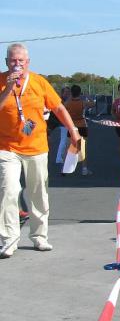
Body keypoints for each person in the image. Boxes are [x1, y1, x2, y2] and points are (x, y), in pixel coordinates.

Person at [0, 43, 81, 258]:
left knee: (38, 192)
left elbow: (58, 107)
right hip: (6, 147)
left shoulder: (39, 82)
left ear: (28, 62)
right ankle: (9, 239)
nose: (17, 64)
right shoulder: (1, 81)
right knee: (8, 190)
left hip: (36, 147)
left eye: (21, 60)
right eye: (12, 60)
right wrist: (8, 88)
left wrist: (73, 130)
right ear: (6, 62)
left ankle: (39, 236)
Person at [63, 84, 92, 176]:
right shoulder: (83, 102)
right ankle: (84, 169)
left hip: (72, 126)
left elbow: (63, 108)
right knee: (82, 148)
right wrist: (88, 97)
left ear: (71, 93)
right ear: (79, 93)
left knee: (69, 148)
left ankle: (65, 169)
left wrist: (70, 97)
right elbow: (93, 104)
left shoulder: (68, 103)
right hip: (82, 126)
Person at [54, 86, 71, 165]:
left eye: (68, 92)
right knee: (63, 140)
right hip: (63, 123)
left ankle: (61, 157)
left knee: (66, 141)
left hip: (67, 122)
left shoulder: (67, 100)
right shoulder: (61, 100)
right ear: (62, 93)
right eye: (66, 92)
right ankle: (59, 158)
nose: (67, 94)